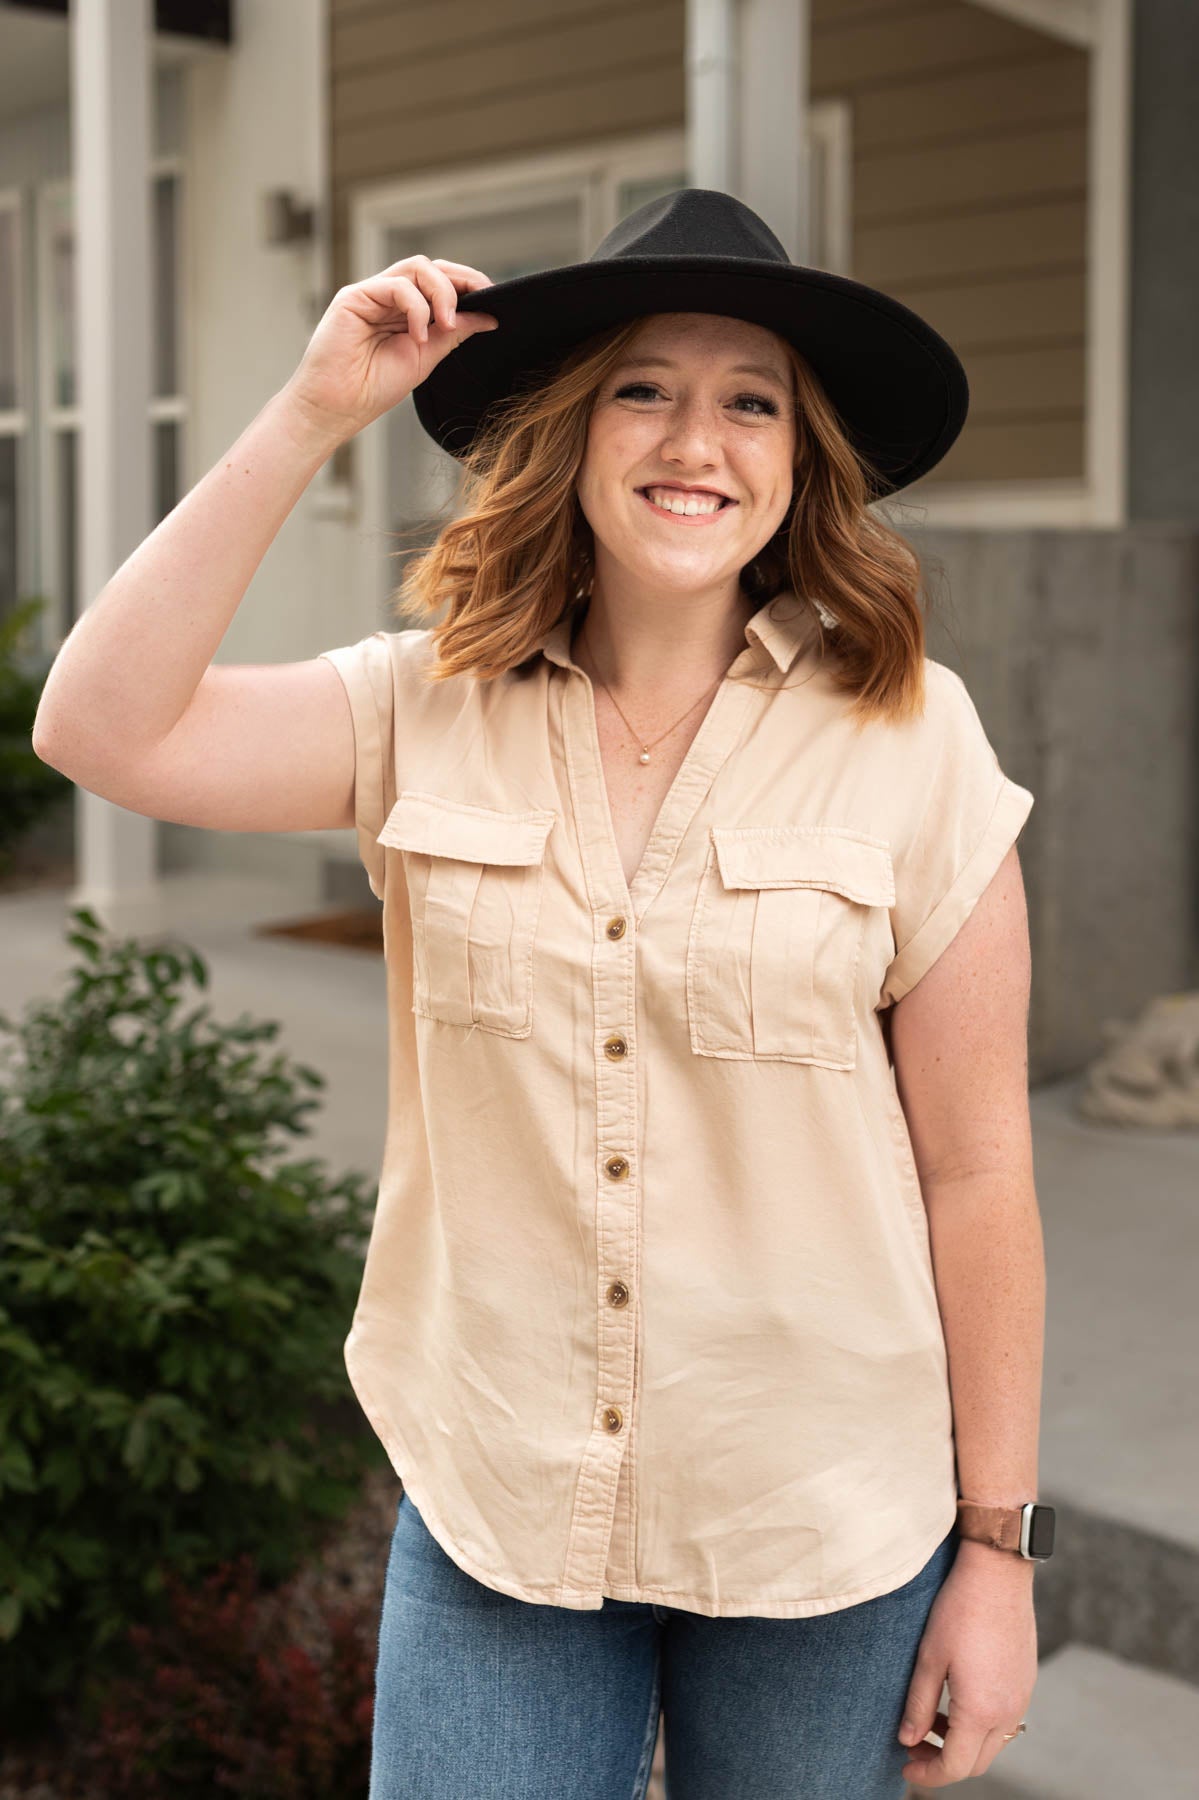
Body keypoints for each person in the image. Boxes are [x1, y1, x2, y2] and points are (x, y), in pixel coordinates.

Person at [32, 188, 1049, 1799]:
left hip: (821, 1528)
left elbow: (978, 1170)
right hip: (505, 1511)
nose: (692, 438)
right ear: (573, 431)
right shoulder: (423, 705)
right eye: (644, 387)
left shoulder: (915, 739)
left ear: (800, 462)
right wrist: (311, 415)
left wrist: (1000, 1553)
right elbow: (98, 727)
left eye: (750, 402)